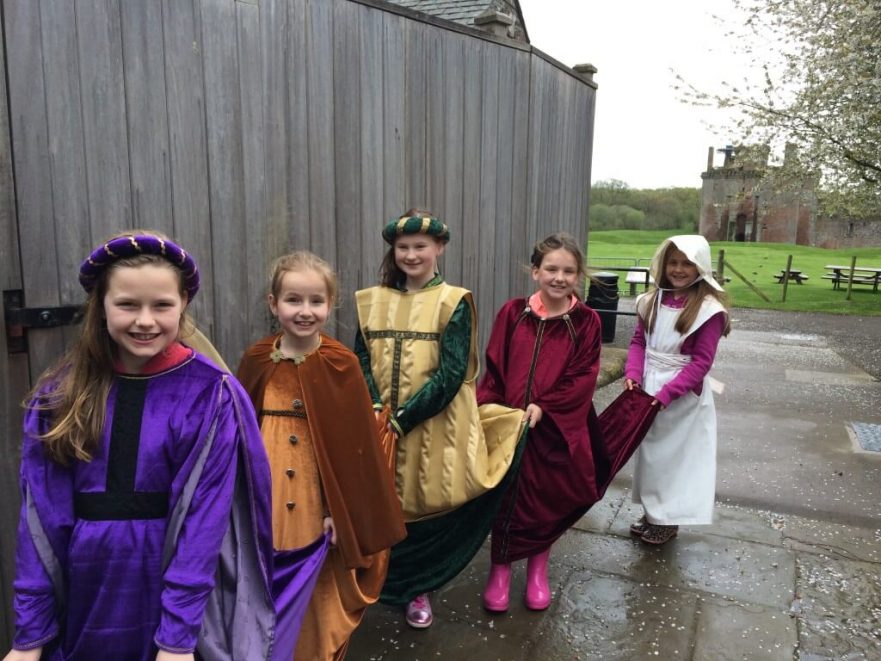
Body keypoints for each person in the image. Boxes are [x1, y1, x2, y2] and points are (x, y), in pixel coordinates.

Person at [4, 232, 278, 661]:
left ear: (183, 303)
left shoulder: (210, 394)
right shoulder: (61, 394)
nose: (145, 320)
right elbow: (40, 521)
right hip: (85, 589)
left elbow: (204, 525)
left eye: (162, 306)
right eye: (127, 304)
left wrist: (176, 640)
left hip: (170, 586)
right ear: (101, 305)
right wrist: (30, 637)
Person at [354, 209, 523, 629]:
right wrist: (376, 408)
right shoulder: (369, 301)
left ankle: (418, 590)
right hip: (377, 423)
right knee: (381, 502)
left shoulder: (454, 302)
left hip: (434, 426)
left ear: (439, 248)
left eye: (420, 247)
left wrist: (404, 418)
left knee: (425, 503)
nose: (411, 255)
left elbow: (451, 375)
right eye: (403, 247)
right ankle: (372, 582)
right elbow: (358, 359)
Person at [237, 251, 406, 660]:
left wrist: (339, 511)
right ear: (273, 303)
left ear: (331, 305)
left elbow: (353, 453)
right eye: (293, 300)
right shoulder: (257, 360)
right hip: (267, 496)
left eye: (316, 301)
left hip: (317, 503)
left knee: (315, 587)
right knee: (262, 578)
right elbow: (237, 436)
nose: (305, 311)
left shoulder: (341, 364)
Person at [477, 232, 606, 613]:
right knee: (504, 499)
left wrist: (546, 406)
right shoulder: (512, 312)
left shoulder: (586, 321)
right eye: (551, 268)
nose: (559, 277)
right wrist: (491, 408)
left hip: (555, 430)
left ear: (578, 275)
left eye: (568, 270)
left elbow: (584, 374)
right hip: (511, 427)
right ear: (535, 271)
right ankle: (499, 569)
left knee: (546, 500)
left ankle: (537, 569)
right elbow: (495, 365)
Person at [624, 234, 731, 545]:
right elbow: (638, 343)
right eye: (673, 262)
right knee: (651, 456)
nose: (679, 269)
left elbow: (701, 363)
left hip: (681, 395)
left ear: (701, 266)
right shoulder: (650, 301)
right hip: (648, 389)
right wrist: (633, 372)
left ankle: (668, 519)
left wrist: (667, 393)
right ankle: (653, 512)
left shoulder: (708, 311)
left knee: (674, 458)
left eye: (687, 263)